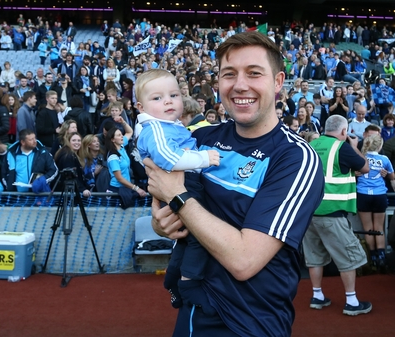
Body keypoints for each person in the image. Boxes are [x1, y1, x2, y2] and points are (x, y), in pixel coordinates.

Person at [145, 31, 324, 336]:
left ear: (278, 82)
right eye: (229, 74)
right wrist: (161, 222)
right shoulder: (200, 138)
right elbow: (162, 197)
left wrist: (176, 196)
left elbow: (244, 260)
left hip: (249, 322)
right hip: (193, 311)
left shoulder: (295, 159)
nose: (240, 85)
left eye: (254, 73)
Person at [134, 68, 220, 308]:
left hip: (183, 183)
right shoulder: (156, 128)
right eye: (157, 98)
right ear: (141, 107)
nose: (168, 101)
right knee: (201, 238)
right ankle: (189, 286)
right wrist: (204, 158)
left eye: (173, 95)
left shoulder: (170, 126)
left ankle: (174, 281)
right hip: (182, 183)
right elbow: (168, 158)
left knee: (186, 240)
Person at [304, 115, 371, 316]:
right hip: (332, 212)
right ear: (344, 131)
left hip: (308, 213)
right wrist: (354, 145)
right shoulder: (342, 147)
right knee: (348, 258)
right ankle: (351, 301)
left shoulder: (311, 145)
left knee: (314, 256)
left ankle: (317, 296)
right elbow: (365, 167)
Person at [357, 133, 395, 271]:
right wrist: (386, 174)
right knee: (379, 228)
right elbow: (392, 176)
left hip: (363, 193)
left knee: (368, 228)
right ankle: (381, 256)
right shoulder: (384, 159)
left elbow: (355, 172)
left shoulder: (361, 157)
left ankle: (373, 257)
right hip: (379, 194)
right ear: (380, 145)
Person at [53, 132, 91, 197]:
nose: (77, 142)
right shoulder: (67, 156)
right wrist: (83, 189)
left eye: (79, 140)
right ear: (68, 142)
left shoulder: (69, 153)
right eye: (74, 140)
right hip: (66, 194)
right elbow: (70, 176)